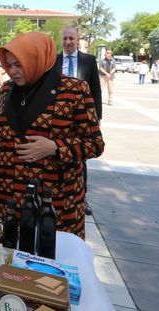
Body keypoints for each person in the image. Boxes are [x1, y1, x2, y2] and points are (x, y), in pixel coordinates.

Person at [0, 32, 104, 239]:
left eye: (19, 65)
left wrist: (55, 147)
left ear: (36, 60)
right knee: (7, 261)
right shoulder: (7, 90)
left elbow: (95, 144)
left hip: (54, 204)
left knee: (49, 264)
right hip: (8, 196)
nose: (12, 71)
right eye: (8, 65)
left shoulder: (74, 90)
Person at [55, 26, 102, 216]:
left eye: (71, 39)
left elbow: (96, 90)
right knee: (61, 154)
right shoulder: (54, 60)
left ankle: (82, 198)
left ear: (77, 40)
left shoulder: (88, 61)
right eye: (65, 38)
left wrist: (96, 118)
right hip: (60, 117)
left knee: (80, 157)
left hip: (82, 116)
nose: (68, 42)